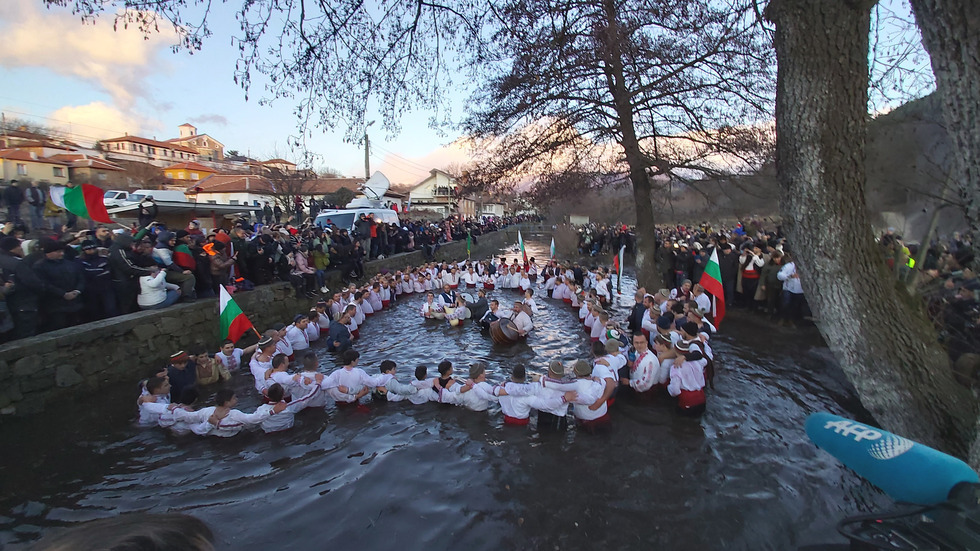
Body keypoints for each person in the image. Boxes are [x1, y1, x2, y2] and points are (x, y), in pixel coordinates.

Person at [192, 389, 285, 437]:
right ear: (227, 403)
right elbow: (252, 419)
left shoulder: (207, 410)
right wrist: (272, 411)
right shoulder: (235, 414)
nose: (236, 399)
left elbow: (191, 418)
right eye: (234, 398)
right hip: (232, 441)